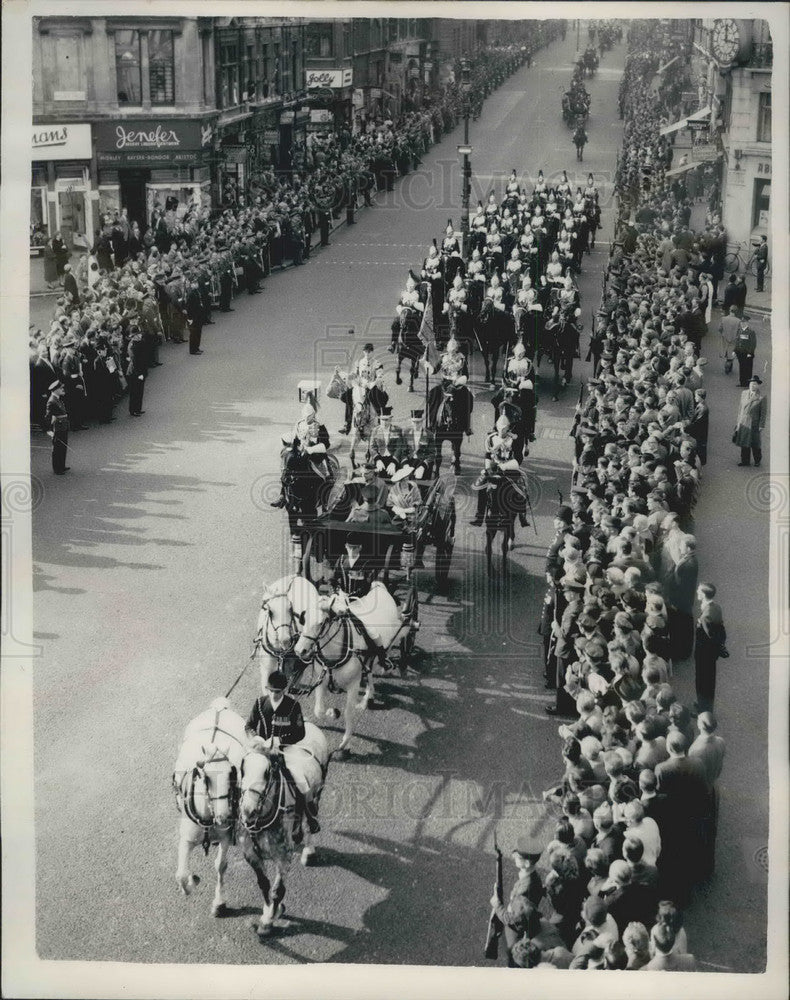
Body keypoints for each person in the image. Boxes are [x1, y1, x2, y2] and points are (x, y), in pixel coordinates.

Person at [245, 670, 318, 844]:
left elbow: (300, 732)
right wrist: (256, 738)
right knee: (243, 775)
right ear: (266, 688)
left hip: (285, 750)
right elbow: (248, 726)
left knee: (301, 782)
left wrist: (280, 739)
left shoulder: (293, 706)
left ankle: (309, 816)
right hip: (261, 750)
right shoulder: (259, 703)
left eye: (278, 691)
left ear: (284, 690)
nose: (275, 694)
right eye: (272, 691)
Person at [694, 582, 727, 712]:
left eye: (698, 591)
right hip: (711, 653)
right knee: (708, 681)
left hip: (704, 654)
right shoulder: (716, 607)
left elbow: (709, 635)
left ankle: (704, 709)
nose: (697, 592)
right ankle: (704, 705)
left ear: (703, 594)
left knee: (702, 683)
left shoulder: (706, 616)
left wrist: (699, 624)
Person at [734, 375, 767, 467]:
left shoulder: (761, 397)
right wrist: (738, 422)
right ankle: (745, 461)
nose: (752, 385)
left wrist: (761, 425)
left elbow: (763, 413)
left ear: (758, 385)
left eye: (755, 384)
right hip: (744, 421)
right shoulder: (744, 393)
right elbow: (740, 408)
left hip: (754, 423)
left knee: (755, 443)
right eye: (751, 384)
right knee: (744, 442)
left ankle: (757, 460)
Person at [44, 380, 70, 474]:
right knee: (57, 448)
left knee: (63, 446)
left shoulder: (58, 398)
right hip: (58, 427)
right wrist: (48, 429)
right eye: (61, 388)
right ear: (55, 390)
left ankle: (62, 465)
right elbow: (48, 416)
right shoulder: (52, 401)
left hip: (63, 425)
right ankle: (57, 469)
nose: (63, 389)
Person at [126, 328, 147, 417]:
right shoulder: (133, 346)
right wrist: (140, 373)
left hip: (139, 369)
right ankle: (133, 410)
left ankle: (138, 408)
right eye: (138, 334)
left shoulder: (138, 343)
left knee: (139, 391)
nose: (140, 335)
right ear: (134, 336)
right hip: (135, 371)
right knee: (135, 391)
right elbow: (135, 361)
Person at [733, 313, 757, 386]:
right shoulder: (739, 331)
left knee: (748, 368)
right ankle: (742, 382)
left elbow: (753, 343)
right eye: (741, 322)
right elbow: (737, 342)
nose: (742, 324)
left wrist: (750, 353)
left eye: (744, 322)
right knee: (742, 367)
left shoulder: (751, 332)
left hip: (747, 354)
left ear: (747, 323)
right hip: (740, 353)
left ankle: (747, 383)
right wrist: (734, 350)